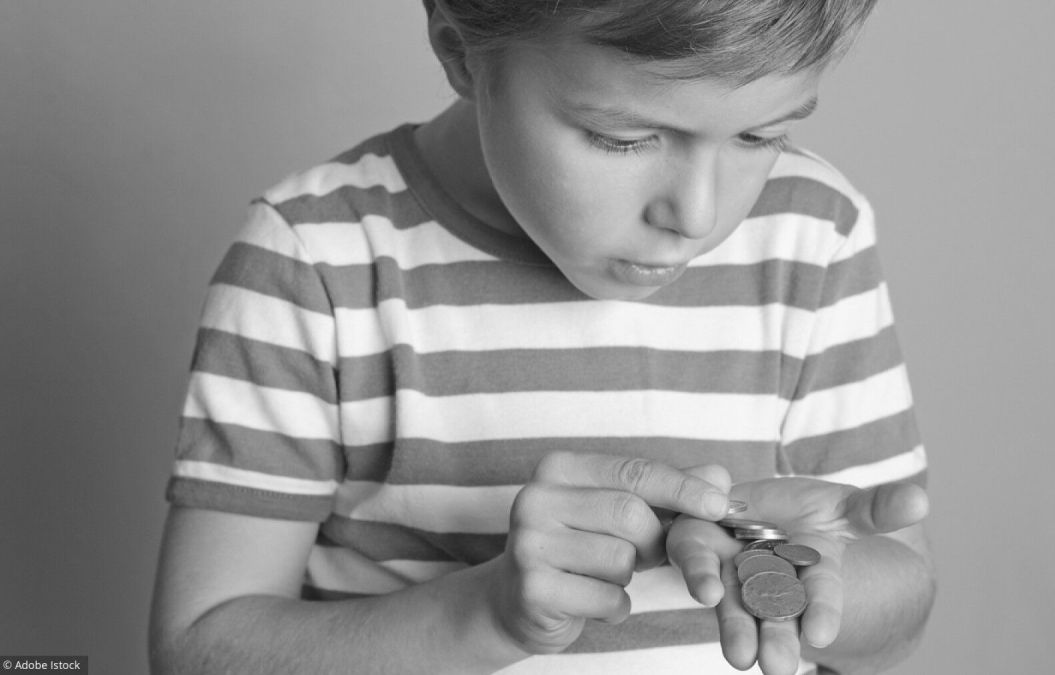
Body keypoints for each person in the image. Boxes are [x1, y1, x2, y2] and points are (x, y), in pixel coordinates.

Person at [148, 1, 934, 673]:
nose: (696, 215)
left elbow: (898, 610)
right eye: (622, 137)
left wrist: (822, 584)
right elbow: (197, 648)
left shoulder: (814, 235)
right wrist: (483, 614)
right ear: (461, 49)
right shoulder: (317, 261)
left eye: (759, 137)